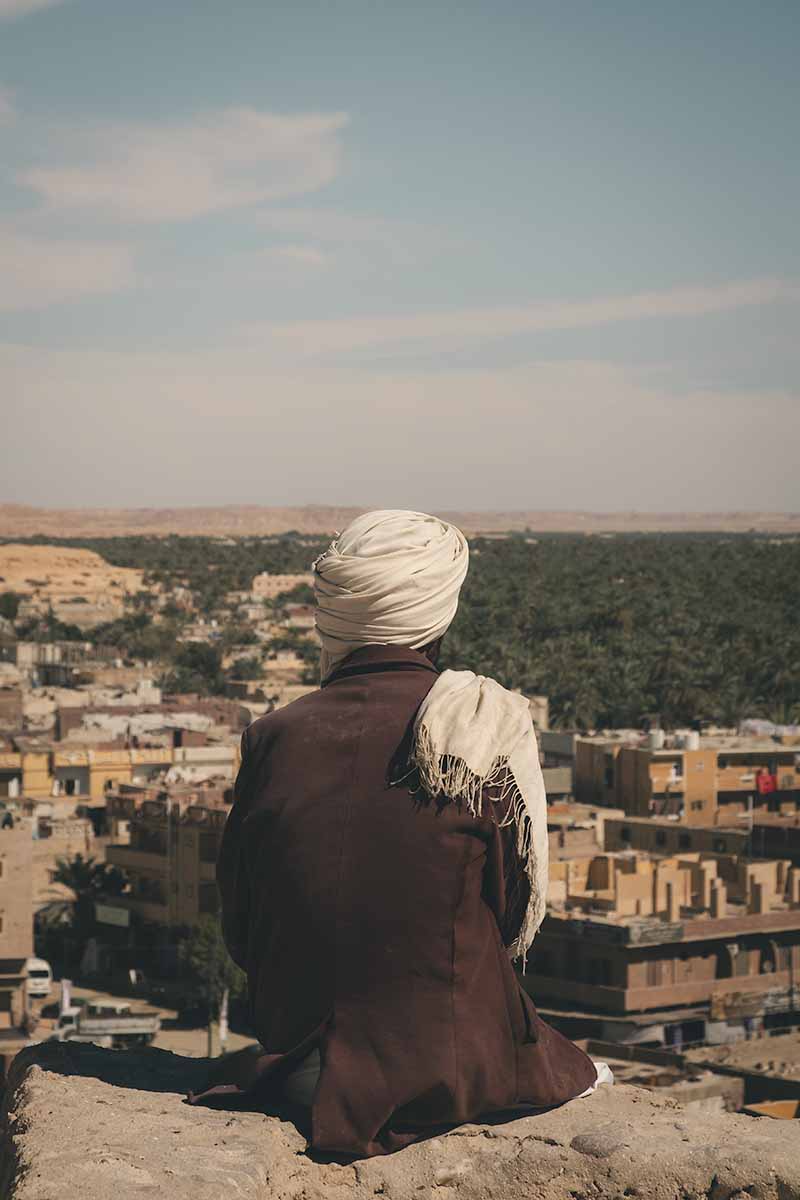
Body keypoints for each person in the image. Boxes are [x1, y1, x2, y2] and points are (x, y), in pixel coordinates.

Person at [188, 510, 601, 1157]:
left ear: (337, 614)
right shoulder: (481, 725)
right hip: (454, 1074)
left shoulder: (271, 737)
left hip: (299, 1069)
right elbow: (516, 914)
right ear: (437, 613)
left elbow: (241, 929)